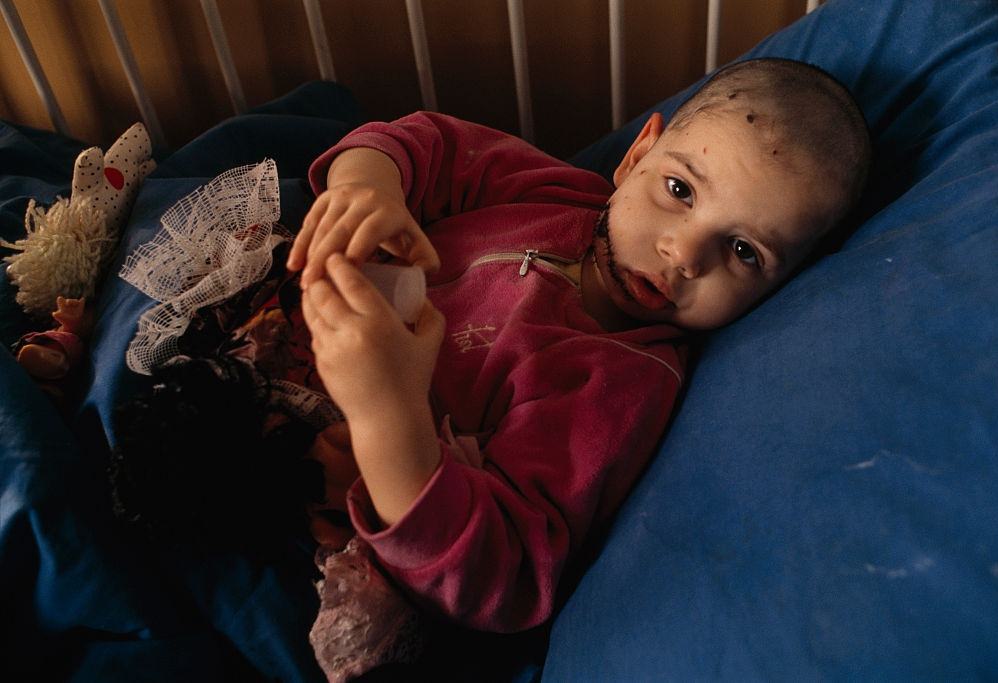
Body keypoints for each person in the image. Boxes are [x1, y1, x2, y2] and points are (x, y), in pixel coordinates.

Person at [287, 56, 871, 634]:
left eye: (744, 252)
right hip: (267, 317)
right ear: (637, 155)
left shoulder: (620, 386)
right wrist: (368, 190)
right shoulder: (551, 189)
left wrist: (385, 415)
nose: (685, 254)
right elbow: (423, 141)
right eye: (679, 189)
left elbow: (497, 574)